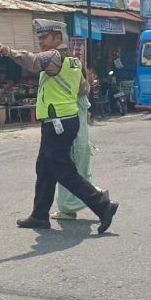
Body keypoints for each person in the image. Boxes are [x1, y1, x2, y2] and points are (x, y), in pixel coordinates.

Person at [0, 19, 119, 234]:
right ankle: (40, 215)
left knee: (63, 171)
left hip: (57, 122)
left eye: (44, 37)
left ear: (58, 39)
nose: (40, 41)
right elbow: (83, 89)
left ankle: (103, 205)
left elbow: (30, 60)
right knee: (44, 169)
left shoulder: (53, 56)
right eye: (39, 38)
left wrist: (7, 51)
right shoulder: (74, 62)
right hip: (65, 120)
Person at [54, 65, 94, 220]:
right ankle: (98, 197)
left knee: (68, 178)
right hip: (83, 143)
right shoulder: (83, 95)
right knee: (80, 177)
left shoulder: (72, 98)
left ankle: (70, 208)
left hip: (75, 143)